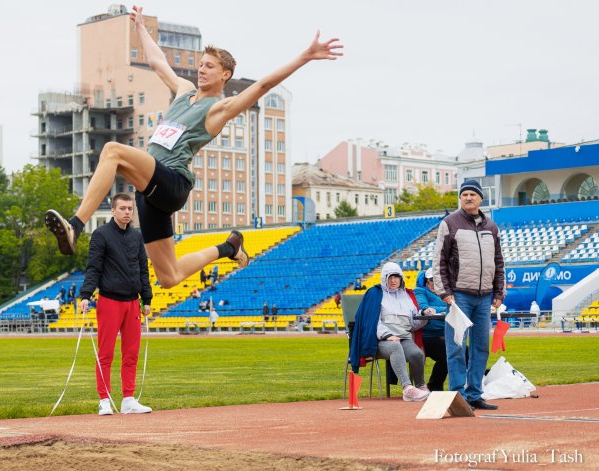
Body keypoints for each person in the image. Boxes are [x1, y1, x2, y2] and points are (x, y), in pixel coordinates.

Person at [45, 5, 343, 290]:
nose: (201, 70)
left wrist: (305, 56)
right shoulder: (184, 91)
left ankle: (75, 226)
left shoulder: (218, 109)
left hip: (172, 182)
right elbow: (157, 61)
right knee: (168, 276)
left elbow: (262, 86)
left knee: (112, 150)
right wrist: (139, 27)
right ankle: (229, 247)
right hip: (149, 193)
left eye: (209, 66)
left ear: (224, 74)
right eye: (200, 64)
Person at [432, 179, 506, 411]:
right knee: (455, 346)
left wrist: (498, 292)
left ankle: (475, 394)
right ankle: (458, 395)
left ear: (481, 199)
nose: (468, 198)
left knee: (480, 347)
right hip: (458, 296)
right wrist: (444, 292)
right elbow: (439, 261)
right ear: (460, 198)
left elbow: (499, 262)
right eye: (465, 194)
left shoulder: (491, 227)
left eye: (473, 194)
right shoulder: (449, 223)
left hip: (484, 297)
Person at [78, 193, 153, 416]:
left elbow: (143, 268)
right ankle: (104, 400)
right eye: (122, 208)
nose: (127, 212)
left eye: (130, 208)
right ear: (113, 211)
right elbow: (93, 268)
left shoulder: (137, 237)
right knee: (106, 353)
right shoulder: (101, 235)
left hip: (132, 302)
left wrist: (146, 298)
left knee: (131, 354)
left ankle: (128, 399)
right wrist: (85, 295)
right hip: (109, 301)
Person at [349, 262, 429, 402]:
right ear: (384, 278)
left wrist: (424, 316)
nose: (393, 280)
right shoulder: (375, 294)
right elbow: (372, 321)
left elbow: (413, 325)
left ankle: (421, 386)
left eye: (396, 277)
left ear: (401, 278)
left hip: (404, 337)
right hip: (380, 341)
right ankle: (407, 388)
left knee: (417, 354)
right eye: (390, 277)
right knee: (394, 346)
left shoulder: (407, 296)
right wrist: (387, 335)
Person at [414, 268, 449, 391]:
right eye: (431, 280)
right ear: (425, 281)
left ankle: (479, 382)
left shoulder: (446, 293)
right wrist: (446, 309)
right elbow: (423, 307)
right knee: (448, 354)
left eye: (438, 280)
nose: (435, 283)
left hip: (446, 334)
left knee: (466, 352)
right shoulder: (420, 291)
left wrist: (440, 308)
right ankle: (435, 385)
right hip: (427, 336)